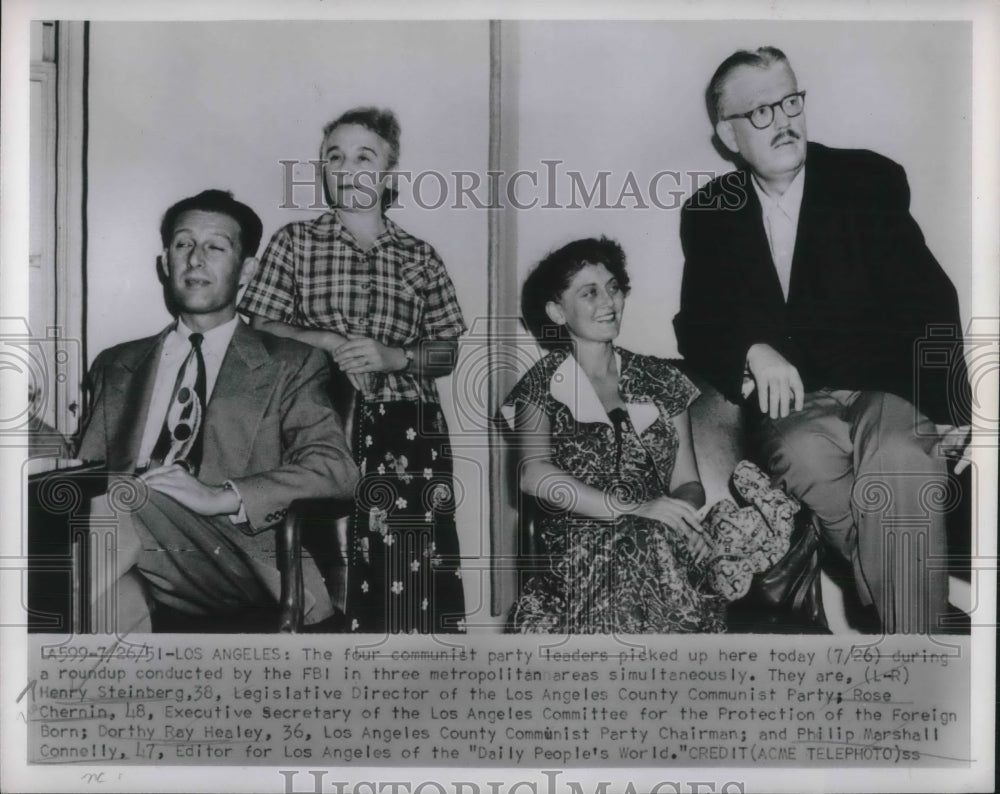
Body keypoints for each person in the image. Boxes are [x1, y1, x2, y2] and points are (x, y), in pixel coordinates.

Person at [674, 46, 971, 634]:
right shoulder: (709, 212)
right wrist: (752, 351)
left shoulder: (868, 179)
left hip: (886, 391)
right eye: (760, 111)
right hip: (797, 411)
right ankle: (918, 611)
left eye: (790, 101)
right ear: (728, 135)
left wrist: (948, 405)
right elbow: (697, 323)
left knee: (901, 460)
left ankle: (907, 649)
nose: (784, 120)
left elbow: (930, 296)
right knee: (804, 457)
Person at [77, 189, 358, 632]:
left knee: (119, 501)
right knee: (110, 605)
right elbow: (87, 477)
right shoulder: (116, 364)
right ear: (165, 261)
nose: (195, 259)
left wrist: (219, 497)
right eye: (183, 243)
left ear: (248, 269)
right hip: (140, 555)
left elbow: (336, 471)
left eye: (215, 247)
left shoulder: (292, 362)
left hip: (245, 559)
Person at [239, 107, 467, 634]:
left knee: (415, 565)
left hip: (410, 432)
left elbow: (448, 354)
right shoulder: (295, 242)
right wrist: (327, 340)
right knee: (333, 567)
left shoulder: (420, 257)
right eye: (334, 156)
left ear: (388, 173)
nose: (347, 167)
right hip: (321, 424)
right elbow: (259, 326)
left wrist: (397, 358)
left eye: (364, 156)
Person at [503, 237, 798, 633]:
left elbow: (688, 483)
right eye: (589, 292)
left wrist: (680, 518)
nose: (608, 301)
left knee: (652, 541)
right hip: (582, 543)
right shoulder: (540, 385)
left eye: (613, 287)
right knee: (642, 544)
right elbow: (532, 475)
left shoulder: (661, 380)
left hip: (662, 533)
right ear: (557, 311)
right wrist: (634, 508)